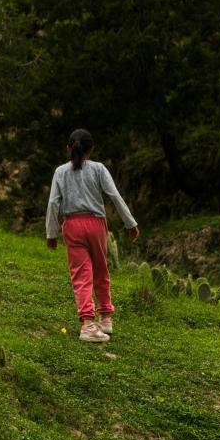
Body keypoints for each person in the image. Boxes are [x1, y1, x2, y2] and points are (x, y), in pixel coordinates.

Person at [46, 128, 139, 342]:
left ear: (69, 148)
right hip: (96, 224)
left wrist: (51, 233)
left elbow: (53, 203)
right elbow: (114, 195)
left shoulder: (60, 172)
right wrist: (130, 223)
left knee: (81, 275)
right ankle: (105, 317)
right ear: (92, 149)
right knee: (101, 269)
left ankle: (87, 323)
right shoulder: (99, 169)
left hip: (72, 225)